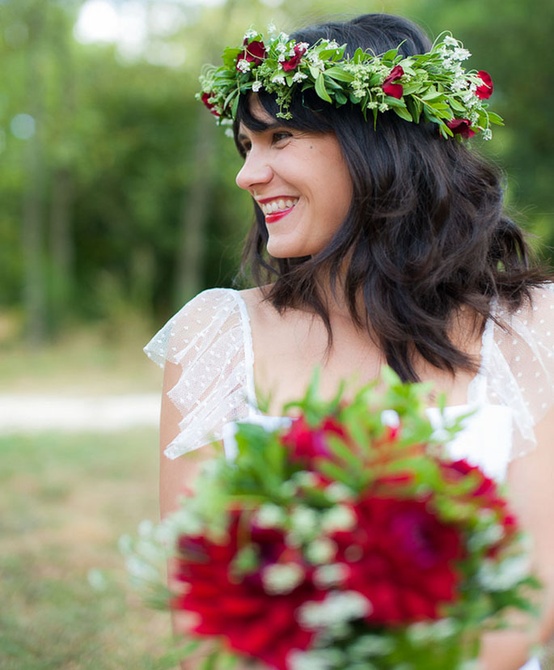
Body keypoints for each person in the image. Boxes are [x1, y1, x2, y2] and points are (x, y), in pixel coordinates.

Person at [145, 12, 554, 670]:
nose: (249, 175)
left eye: (279, 136)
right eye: (246, 146)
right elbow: (200, 610)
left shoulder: (531, 327)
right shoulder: (216, 334)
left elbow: (537, 590)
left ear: (380, 142)